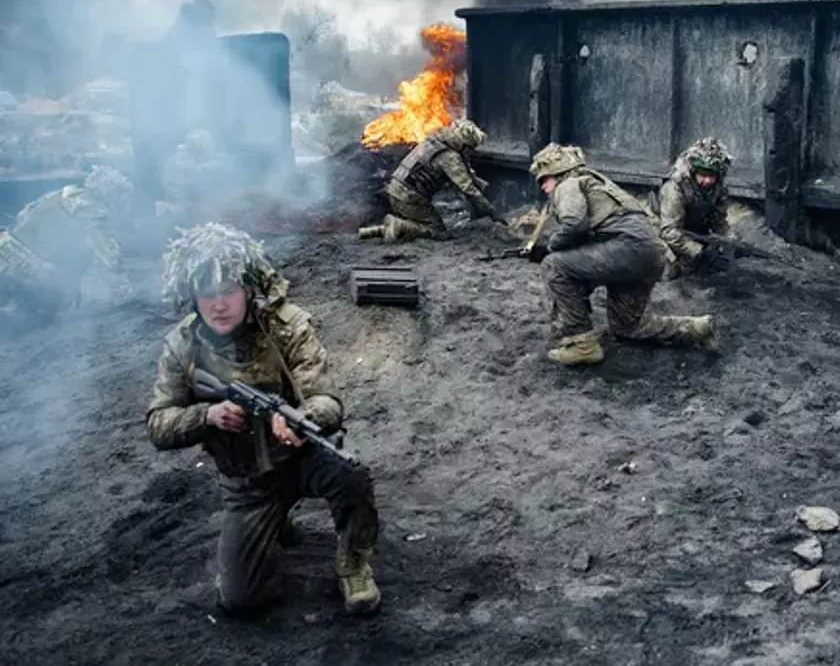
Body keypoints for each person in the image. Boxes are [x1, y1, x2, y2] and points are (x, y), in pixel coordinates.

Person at [145, 222, 381, 616]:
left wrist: (301, 418)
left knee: (348, 470)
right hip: (248, 481)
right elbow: (158, 423)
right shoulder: (182, 345)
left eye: (228, 292)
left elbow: (328, 399)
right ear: (192, 296)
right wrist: (208, 415)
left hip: (302, 459)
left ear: (249, 289)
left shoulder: (286, 327)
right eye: (207, 295)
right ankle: (275, 520)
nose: (218, 305)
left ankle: (353, 561)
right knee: (241, 601)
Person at [525, 143, 718, 365]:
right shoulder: (600, 185)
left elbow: (574, 225)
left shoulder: (569, 183)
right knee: (628, 326)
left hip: (624, 249)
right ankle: (697, 328)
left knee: (554, 265)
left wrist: (550, 246)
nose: (543, 186)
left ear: (556, 173)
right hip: (649, 254)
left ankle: (582, 345)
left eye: (544, 179)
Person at [0, 164, 134, 323]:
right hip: (30, 269)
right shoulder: (93, 213)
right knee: (62, 298)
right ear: (115, 196)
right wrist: (126, 297)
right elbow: (108, 261)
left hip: (4, 245)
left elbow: (23, 217)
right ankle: (32, 308)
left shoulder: (60, 194)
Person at [358, 118, 506, 241]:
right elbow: (467, 188)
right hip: (408, 197)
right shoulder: (449, 157)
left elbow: (467, 172)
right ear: (463, 144)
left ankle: (374, 231)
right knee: (438, 231)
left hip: (397, 189)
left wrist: (481, 183)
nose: (470, 152)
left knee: (420, 223)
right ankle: (399, 224)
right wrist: (492, 212)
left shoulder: (437, 140)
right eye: (470, 148)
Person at [656, 137, 736, 278]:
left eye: (712, 176)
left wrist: (730, 242)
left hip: (692, 232)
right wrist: (699, 252)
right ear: (693, 171)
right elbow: (668, 231)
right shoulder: (675, 188)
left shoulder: (718, 188)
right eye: (703, 175)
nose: (708, 181)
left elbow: (718, 221)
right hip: (663, 232)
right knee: (669, 272)